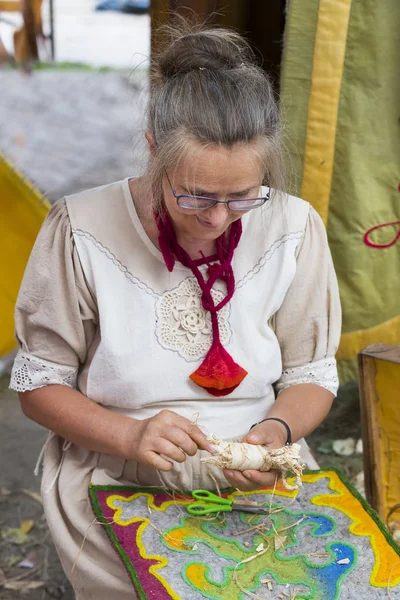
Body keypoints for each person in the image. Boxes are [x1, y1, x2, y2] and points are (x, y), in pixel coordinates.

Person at [10, 22, 341, 600]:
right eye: (196, 196)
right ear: (153, 149)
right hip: (118, 470)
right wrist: (132, 437)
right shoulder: (79, 228)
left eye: (242, 196)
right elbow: (39, 384)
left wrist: (274, 432)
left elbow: (312, 374)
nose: (218, 218)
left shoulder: (293, 225)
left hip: (257, 476)